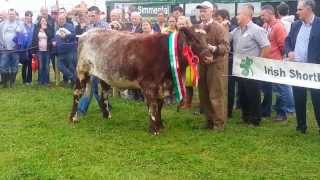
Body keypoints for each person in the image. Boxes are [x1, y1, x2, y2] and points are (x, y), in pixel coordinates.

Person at [230, 4, 270, 126]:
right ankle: (245, 116)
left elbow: (266, 47)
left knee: (253, 93)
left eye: (239, 14)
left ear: (247, 15)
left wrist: (258, 62)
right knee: (242, 93)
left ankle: (255, 118)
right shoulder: (236, 30)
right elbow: (226, 38)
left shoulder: (256, 30)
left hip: (252, 68)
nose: (236, 16)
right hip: (239, 68)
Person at [285, 0, 320, 134]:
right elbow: (287, 41)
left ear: (309, 8)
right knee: (299, 97)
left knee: (317, 99)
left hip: (314, 70)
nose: (297, 12)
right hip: (298, 69)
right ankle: (301, 126)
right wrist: (289, 52)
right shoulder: (295, 25)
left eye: (299, 9)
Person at [196, 1, 230, 130]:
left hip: (217, 64)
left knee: (216, 94)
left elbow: (226, 47)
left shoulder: (219, 27)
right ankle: (209, 121)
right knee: (203, 93)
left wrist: (214, 49)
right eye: (201, 10)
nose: (202, 13)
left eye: (205, 10)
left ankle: (219, 124)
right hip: (202, 63)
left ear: (212, 12)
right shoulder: (198, 27)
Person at [77, 6, 110, 116]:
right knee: (92, 85)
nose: (91, 18)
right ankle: (105, 106)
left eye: (93, 15)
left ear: (99, 15)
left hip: (101, 61)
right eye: (89, 16)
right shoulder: (89, 26)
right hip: (90, 60)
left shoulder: (105, 27)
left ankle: (82, 110)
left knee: (92, 85)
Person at [260, 4, 291, 121]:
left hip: (275, 63)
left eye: (263, 15)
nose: (261, 17)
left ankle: (282, 112)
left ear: (270, 14)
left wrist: (281, 59)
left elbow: (283, 45)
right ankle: (266, 110)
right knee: (266, 88)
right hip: (266, 62)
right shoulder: (266, 25)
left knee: (279, 88)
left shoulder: (278, 27)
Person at [215, 9, 238, 118]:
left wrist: (225, 29)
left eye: (219, 19)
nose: (217, 21)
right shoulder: (216, 29)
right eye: (216, 19)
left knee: (229, 86)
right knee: (219, 86)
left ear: (226, 19)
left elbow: (229, 43)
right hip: (219, 60)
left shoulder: (232, 29)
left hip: (230, 61)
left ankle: (228, 111)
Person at [0, 8, 26, 88]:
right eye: (10, 14)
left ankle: (12, 83)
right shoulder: (2, 24)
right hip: (5, 49)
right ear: (8, 15)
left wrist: (19, 43)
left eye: (13, 14)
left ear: (15, 15)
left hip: (15, 50)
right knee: (3, 66)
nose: (11, 15)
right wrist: (1, 45)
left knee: (14, 66)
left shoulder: (19, 24)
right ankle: (5, 83)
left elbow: (24, 34)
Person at [176, 16, 194, 109]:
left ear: (187, 25)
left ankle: (188, 102)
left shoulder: (190, 36)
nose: (181, 26)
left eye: (183, 24)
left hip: (189, 62)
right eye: (179, 24)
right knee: (179, 82)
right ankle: (181, 101)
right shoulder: (175, 35)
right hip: (178, 62)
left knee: (188, 83)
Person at [54, 14, 76, 85]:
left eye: (62, 19)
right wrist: (53, 41)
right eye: (59, 19)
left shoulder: (70, 26)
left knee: (71, 67)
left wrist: (66, 36)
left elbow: (74, 35)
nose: (61, 20)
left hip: (69, 51)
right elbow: (54, 37)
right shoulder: (57, 27)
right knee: (60, 66)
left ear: (65, 20)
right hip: (60, 52)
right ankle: (73, 78)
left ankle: (74, 83)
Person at [32, 17, 53, 85]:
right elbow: (34, 40)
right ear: (40, 22)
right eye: (42, 21)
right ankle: (40, 81)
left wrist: (45, 29)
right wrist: (33, 52)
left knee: (46, 66)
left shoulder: (49, 28)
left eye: (45, 21)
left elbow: (51, 37)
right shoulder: (37, 29)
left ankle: (46, 81)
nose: (44, 22)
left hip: (47, 50)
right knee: (40, 66)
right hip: (39, 51)